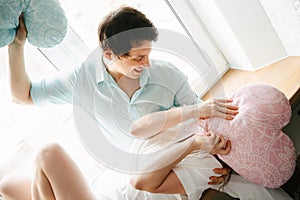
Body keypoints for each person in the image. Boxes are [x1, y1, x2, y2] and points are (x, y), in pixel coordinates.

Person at [1, 5, 242, 200]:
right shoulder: (81, 79)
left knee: (44, 158)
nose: (147, 63)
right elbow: (24, 96)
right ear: (108, 55)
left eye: (148, 54)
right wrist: (17, 45)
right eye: (138, 58)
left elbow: (202, 118)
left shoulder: (167, 75)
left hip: (145, 172)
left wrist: (225, 158)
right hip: (112, 177)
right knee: (8, 186)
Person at [128, 83, 296, 199]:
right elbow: (136, 129)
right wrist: (196, 110)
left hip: (134, 178)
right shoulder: (198, 116)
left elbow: (140, 182)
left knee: (258, 191)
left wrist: (195, 144)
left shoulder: (208, 166)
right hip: (118, 183)